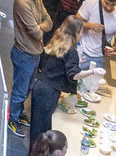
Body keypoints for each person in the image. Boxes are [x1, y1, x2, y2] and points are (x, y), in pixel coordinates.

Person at [29, 17, 93, 146]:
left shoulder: (57, 42)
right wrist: (93, 72)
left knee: (36, 127)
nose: (82, 35)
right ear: (75, 33)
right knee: (44, 131)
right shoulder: (72, 51)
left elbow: (59, 63)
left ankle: (33, 154)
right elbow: (74, 75)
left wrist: (75, 64)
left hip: (39, 86)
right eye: (81, 32)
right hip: (49, 92)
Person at [8, 0, 53, 136]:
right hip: (24, 54)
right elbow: (36, 33)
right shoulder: (22, 1)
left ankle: (18, 113)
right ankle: (12, 120)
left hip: (34, 53)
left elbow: (49, 21)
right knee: (20, 90)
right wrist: (40, 27)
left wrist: (39, 25)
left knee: (28, 88)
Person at [76, 0, 116, 70]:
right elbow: (75, 23)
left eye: (113, 5)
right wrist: (90, 26)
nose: (109, 7)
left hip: (99, 58)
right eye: (106, 3)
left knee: (94, 78)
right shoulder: (90, 4)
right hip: (81, 51)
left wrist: (113, 49)